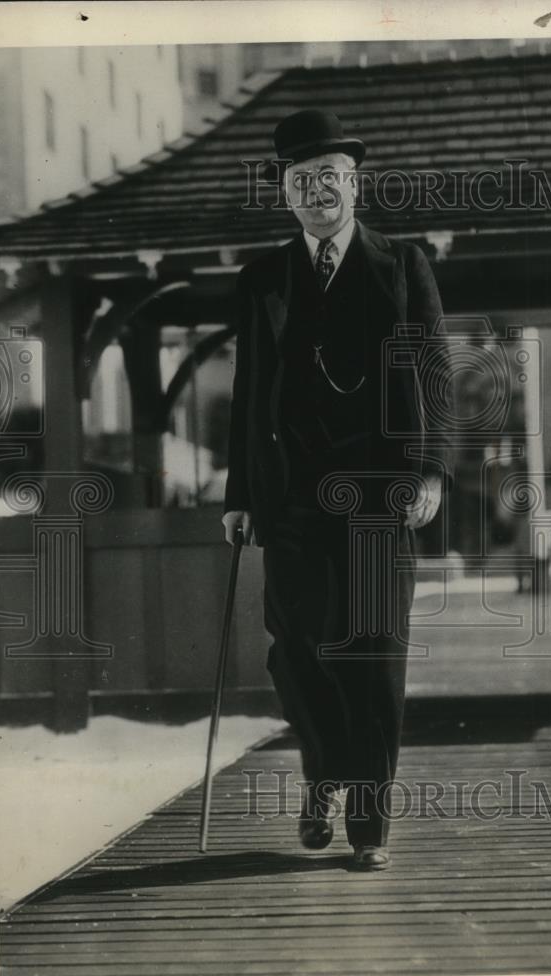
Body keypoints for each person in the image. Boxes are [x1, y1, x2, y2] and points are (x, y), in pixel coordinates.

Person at [222, 109, 447, 871]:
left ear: (354, 184)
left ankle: (368, 821)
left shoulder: (401, 264)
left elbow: (433, 373)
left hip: (381, 493)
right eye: (300, 178)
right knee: (299, 654)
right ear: (284, 192)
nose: (317, 190)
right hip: (289, 499)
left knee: (374, 656)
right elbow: (250, 391)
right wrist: (238, 492)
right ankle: (324, 773)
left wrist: (432, 468)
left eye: (330, 176)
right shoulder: (261, 280)